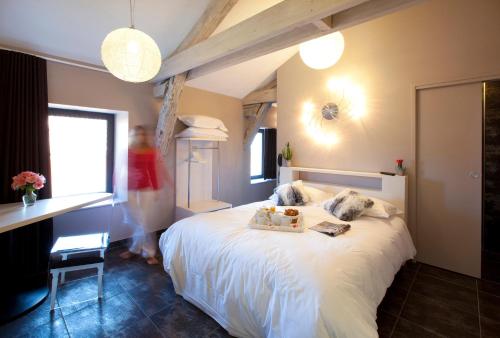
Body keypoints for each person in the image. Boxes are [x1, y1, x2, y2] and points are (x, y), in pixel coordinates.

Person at [120, 125, 172, 265]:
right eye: (136, 134)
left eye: (142, 134)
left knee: (145, 222)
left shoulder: (151, 152)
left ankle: (147, 252)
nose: (139, 136)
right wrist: (115, 187)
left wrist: (156, 189)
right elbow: (119, 170)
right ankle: (136, 248)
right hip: (128, 189)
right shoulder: (127, 151)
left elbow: (152, 171)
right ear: (132, 136)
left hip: (146, 190)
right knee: (136, 221)